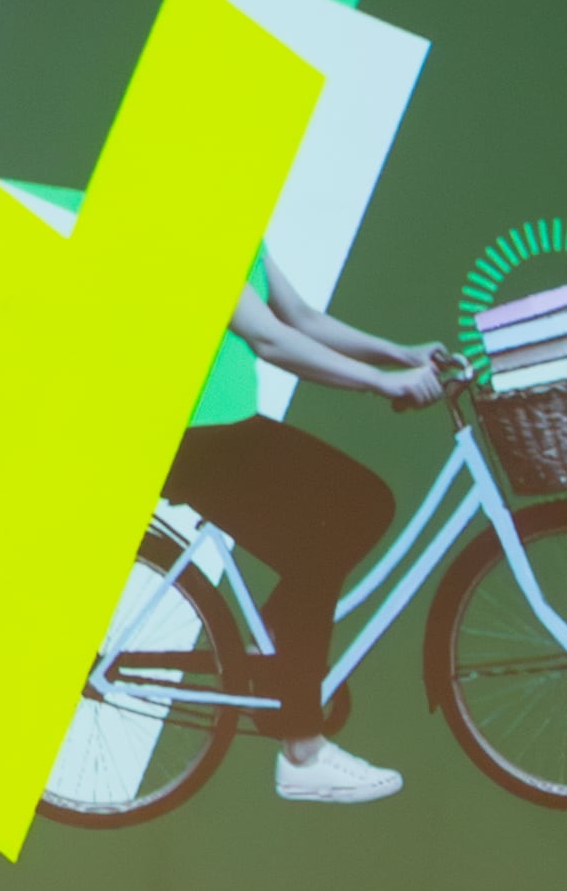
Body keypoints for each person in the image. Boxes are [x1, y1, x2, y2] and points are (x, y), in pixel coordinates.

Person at [173, 263, 454, 806]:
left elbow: (300, 316)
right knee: (320, 543)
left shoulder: (244, 226)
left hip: (220, 426)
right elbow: (270, 338)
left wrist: (400, 353)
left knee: (365, 504)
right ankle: (303, 751)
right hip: (186, 433)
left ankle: (273, 646)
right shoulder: (193, 219)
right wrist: (380, 381)